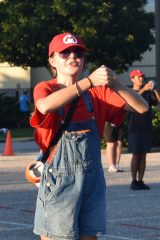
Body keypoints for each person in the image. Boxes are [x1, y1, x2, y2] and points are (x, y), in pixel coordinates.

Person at [30, 32, 148, 240]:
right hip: (58, 183)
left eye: (78, 52)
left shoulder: (97, 93)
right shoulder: (46, 88)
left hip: (91, 182)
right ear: (52, 60)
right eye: (65, 53)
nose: (73, 56)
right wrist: (89, 82)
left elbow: (142, 107)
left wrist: (115, 83)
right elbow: (45, 105)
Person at [127, 69, 160, 190]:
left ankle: (140, 180)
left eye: (142, 76)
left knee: (143, 155)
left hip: (146, 127)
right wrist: (143, 90)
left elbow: (158, 102)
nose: (141, 78)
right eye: (138, 77)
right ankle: (133, 181)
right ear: (132, 79)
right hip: (134, 127)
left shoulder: (147, 93)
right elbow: (130, 102)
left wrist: (155, 89)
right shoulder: (130, 91)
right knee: (136, 155)